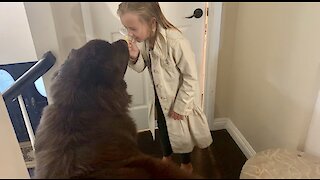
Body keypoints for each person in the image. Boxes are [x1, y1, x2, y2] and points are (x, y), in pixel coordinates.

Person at [117, 2, 213, 174]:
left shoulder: (176, 41)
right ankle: (167, 156)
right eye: (126, 29)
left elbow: (191, 77)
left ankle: (186, 163)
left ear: (152, 22)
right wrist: (135, 55)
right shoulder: (147, 41)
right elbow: (141, 66)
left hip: (178, 98)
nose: (129, 34)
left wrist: (181, 105)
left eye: (133, 29)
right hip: (160, 97)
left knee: (181, 132)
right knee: (162, 127)